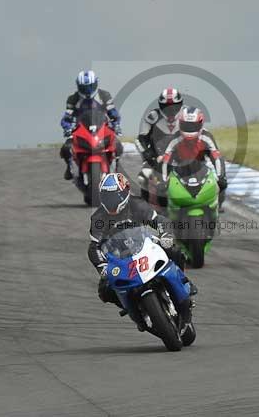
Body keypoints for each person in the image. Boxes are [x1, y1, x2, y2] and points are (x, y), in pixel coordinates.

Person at [87, 173, 195, 330]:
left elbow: (159, 221)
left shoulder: (136, 204)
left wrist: (166, 234)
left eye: (115, 196)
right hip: (119, 258)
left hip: (144, 245)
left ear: (124, 192)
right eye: (106, 196)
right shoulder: (98, 217)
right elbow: (94, 246)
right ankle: (132, 308)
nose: (111, 200)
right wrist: (102, 266)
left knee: (174, 250)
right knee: (105, 289)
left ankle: (183, 281)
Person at [160, 106, 228, 210]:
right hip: (180, 169)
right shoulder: (175, 139)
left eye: (193, 126)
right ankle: (167, 210)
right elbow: (166, 160)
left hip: (201, 168)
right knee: (161, 189)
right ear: (180, 123)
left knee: (221, 184)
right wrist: (164, 180)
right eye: (187, 126)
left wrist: (220, 176)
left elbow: (216, 157)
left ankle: (217, 207)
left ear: (200, 123)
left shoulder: (207, 136)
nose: (190, 130)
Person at [60, 70, 122, 180]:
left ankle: (116, 166)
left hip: (102, 127)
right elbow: (66, 117)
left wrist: (115, 123)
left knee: (118, 145)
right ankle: (69, 167)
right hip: (80, 128)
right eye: (84, 87)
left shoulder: (104, 95)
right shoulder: (73, 98)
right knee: (66, 148)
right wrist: (67, 128)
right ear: (79, 86)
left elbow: (113, 112)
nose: (88, 90)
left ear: (96, 84)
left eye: (90, 86)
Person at [135, 87, 183, 167]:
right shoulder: (153, 117)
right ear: (160, 105)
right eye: (166, 107)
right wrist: (146, 153)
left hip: (182, 157)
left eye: (174, 106)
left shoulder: (187, 114)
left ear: (180, 104)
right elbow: (140, 139)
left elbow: (200, 135)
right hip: (156, 158)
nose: (171, 110)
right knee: (143, 177)